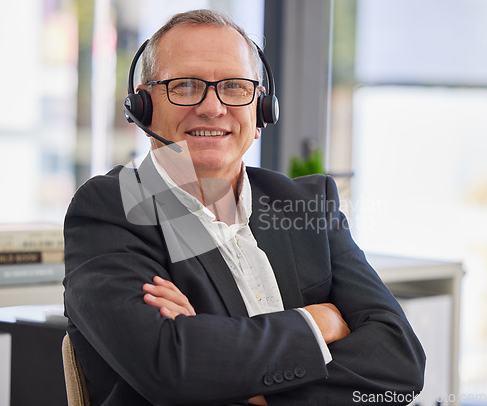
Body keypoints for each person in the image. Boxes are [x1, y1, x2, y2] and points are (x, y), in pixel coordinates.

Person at [63, 9, 425, 406]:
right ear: (143, 106)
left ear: (261, 110)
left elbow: (401, 363)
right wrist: (318, 322)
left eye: (234, 87)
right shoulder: (111, 208)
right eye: (185, 86)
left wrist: (247, 386)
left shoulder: (305, 205)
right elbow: (171, 368)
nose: (212, 107)